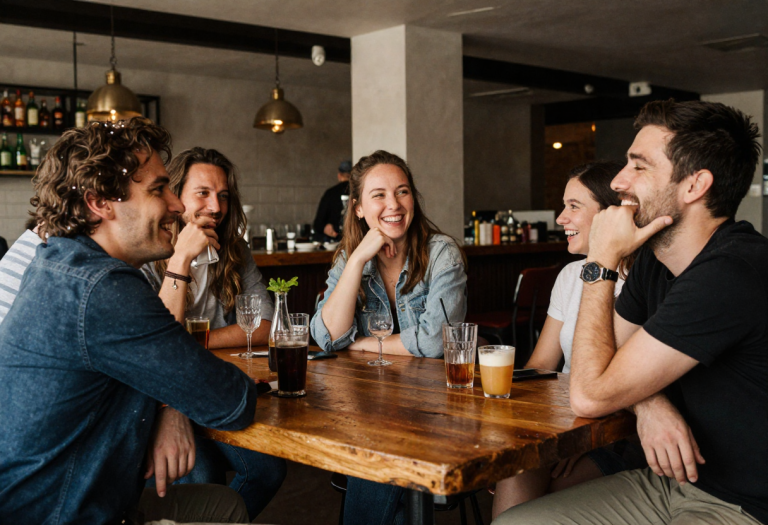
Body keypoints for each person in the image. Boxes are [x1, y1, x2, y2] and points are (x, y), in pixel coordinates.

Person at [494, 100, 766, 525]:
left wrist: (600, 261)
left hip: (745, 505)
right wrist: (650, 404)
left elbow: (587, 393)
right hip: (668, 482)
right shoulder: (656, 262)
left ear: (695, 186)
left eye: (639, 167)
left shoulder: (732, 271)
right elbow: (608, 361)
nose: (619, 181)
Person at [0, 118, 258, 524]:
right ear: (100, 202)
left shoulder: (59, 260)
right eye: (158, 189)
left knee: (226, 503)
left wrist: (169, 399)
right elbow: (233, 402)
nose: (176, 205)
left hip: (44, 500)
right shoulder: (104, 288)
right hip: (62, 512)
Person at [310, 150, 467, 523]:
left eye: (402, 191)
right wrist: (357, 261)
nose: (393, 204)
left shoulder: (442, 253)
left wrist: (365, 343)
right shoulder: (351, 257)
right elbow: (326, 338)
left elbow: (435, 343)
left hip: (438, 410)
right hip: (370, 410)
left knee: (380, 456)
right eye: (378, 195)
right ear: (359, 208)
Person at [491, 161, 645, 519]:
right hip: (565, 425)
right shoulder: (570, 274)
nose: (560, 218)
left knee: (547, 494)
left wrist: (583, 438)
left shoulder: (646, 280)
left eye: (574, 206)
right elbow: (541, 367)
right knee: (516, 469)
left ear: (611, 215)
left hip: (623, 433)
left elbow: (634, 387)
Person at [142, 147, 285, 519]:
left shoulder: (233, 248)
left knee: (268, 470)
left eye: (223, 195)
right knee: (202, 475)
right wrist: (181, 257)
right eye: (203, 193)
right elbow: (155, 344)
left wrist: (191, 343)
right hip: (160, 394)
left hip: (207, 384)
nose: (216, 207)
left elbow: (265, 326)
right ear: (175, 196)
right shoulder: (149, 248)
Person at [312, 159, 352, 242]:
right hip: (358, 241)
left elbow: (318, 224)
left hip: (336, 242)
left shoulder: (330, 193)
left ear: (339, 176)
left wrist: (326, 228)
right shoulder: (360, 192)